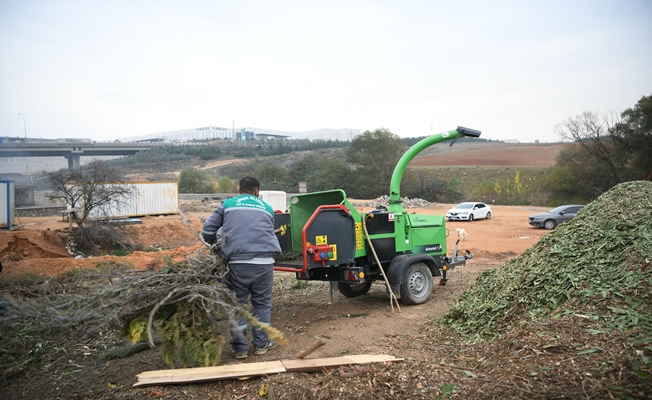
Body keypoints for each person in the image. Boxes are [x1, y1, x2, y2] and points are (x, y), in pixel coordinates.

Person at [201, 176, 281, 359]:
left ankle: (240, 348)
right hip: (265, 263)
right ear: (256, 192)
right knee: (262, 303)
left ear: (238, 190)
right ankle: (261, 344)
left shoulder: (228, 204)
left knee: (238, 304)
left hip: (238, 263)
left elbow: (207, 231)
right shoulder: (267, 208)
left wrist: (216, 246)